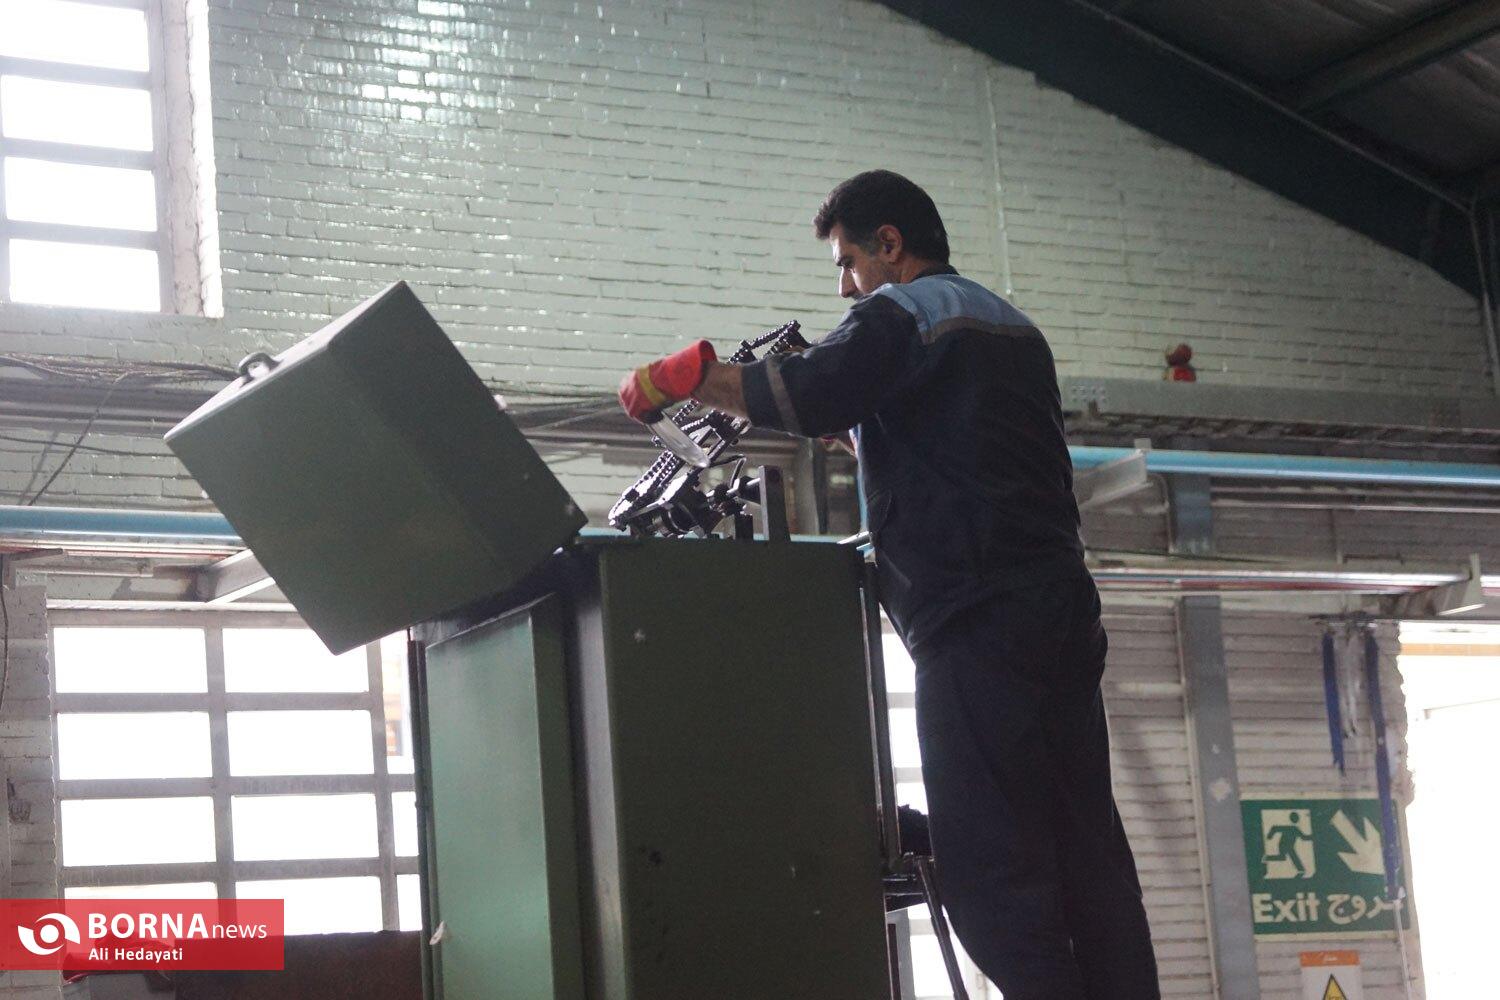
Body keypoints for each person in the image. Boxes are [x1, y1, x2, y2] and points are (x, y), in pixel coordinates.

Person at [617, 169, 1160, 999]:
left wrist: (690, 377)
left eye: (848, 262)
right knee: (1085, 854)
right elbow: (959, 441)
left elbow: (807, 390)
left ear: (891, 245)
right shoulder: (1009, 325)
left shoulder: (899, 311)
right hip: (1058, 614)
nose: (845, 286)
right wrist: (860, 433)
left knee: (991, 872)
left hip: (974, 623)